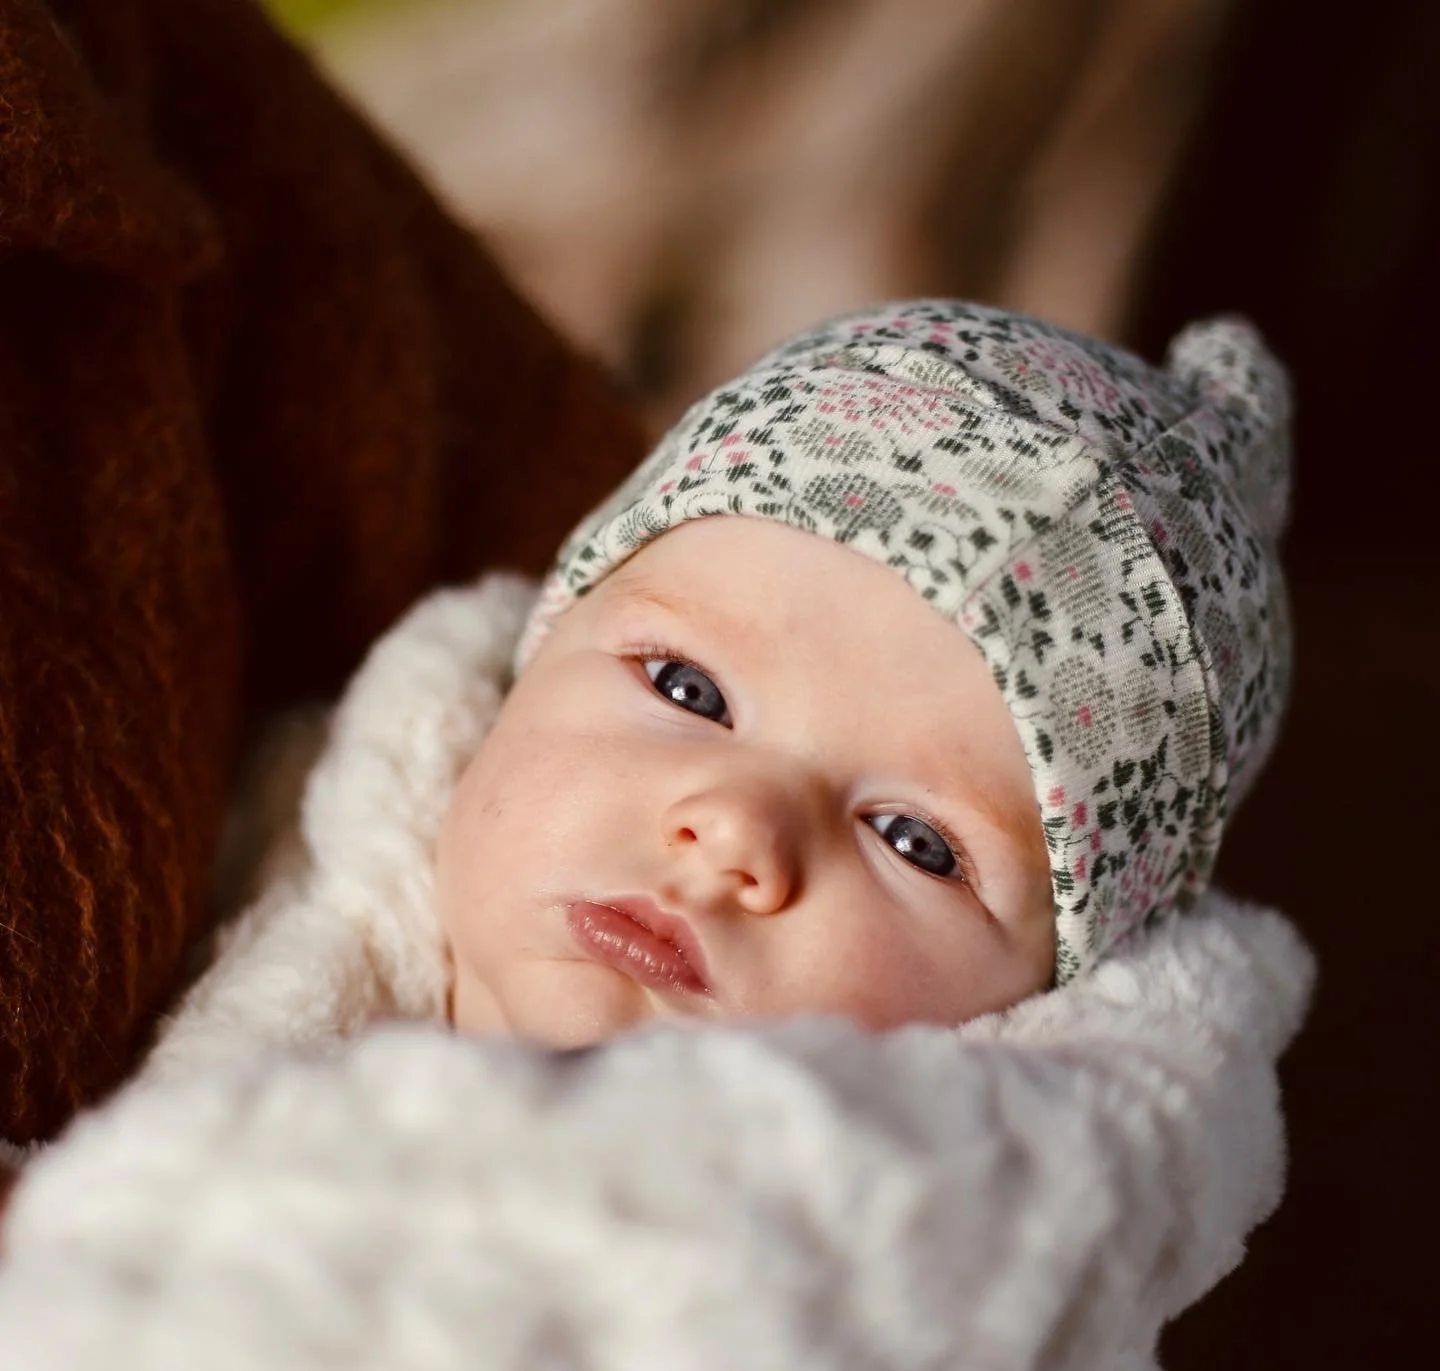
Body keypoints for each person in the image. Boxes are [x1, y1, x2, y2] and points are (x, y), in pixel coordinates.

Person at [143, 298, 1291, 1073]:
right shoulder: (236, 835)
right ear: (538, 656)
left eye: (915, 840)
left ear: (1042, 1005)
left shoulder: (938, 1278)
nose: (736, 828)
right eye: (688, 688)